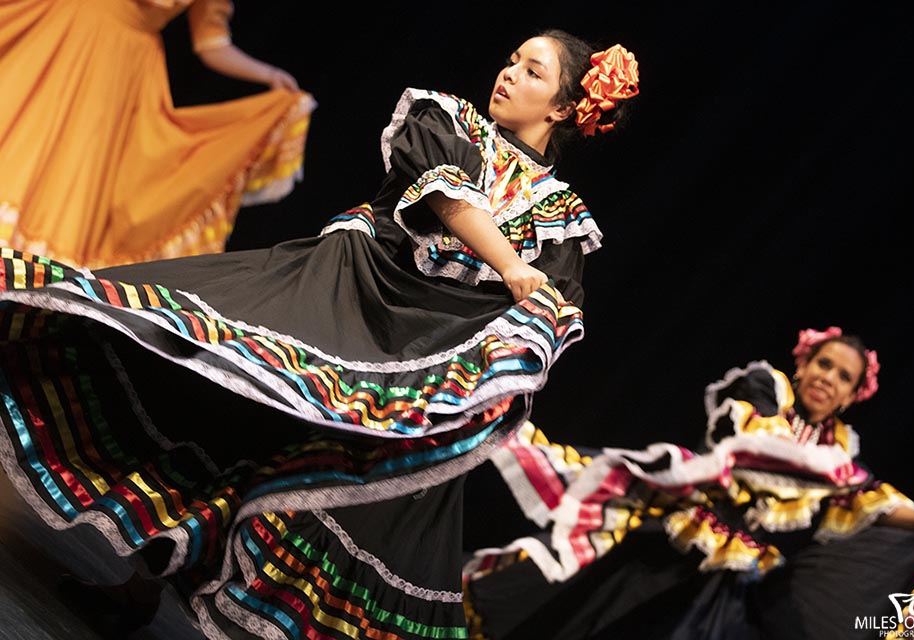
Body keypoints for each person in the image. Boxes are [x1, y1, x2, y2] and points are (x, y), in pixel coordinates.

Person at [0, 29, 640, 638]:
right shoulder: (445, 118)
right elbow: (448, 202)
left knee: (307, 468)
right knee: (228, 390)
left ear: (561, 108)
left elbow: (551, 311)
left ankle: (144, 595)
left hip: (415, 351)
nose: (508, 73)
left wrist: (508, 350)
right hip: (345, 290)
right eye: (512, 59)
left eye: (533, 71)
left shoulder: (560, 216)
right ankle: (133, 591)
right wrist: (510, 266)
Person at [462, 327, 914, 639]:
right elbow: (757, 452)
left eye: (843, 376)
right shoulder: (766, 389)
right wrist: (834, 474)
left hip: (729, 577)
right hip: (673, 536)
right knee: (592, 613)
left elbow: (867, 498)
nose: (828, 377)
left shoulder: (837, 453)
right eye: (823, 363)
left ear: (852, 395)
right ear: (803, 363)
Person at [0, 0, 316, 269]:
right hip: (63, 31)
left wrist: (270, 75)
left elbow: (213, 45)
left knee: (73, 174)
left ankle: (27, 282)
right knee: (21, 138)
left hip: (121, 73)